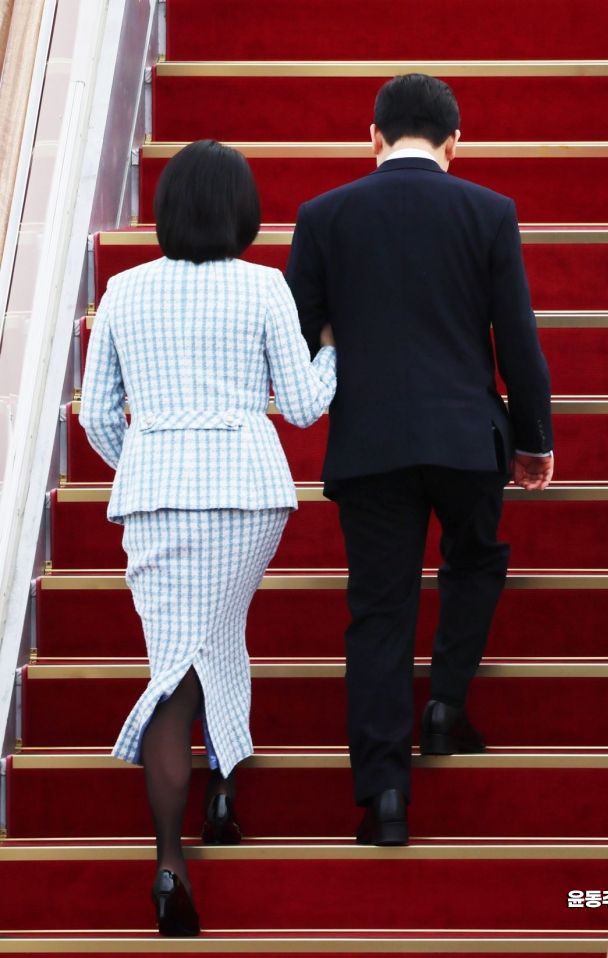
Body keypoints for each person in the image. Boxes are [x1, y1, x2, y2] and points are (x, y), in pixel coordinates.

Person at [286, 74, 553, 846]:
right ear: (453, 141)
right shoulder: (488, 212)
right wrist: (532, 436)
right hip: (466, 436)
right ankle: (445, 704)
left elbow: (295, 338)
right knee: (475, 560)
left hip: (369, 445)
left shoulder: (322, 216)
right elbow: (518, 338)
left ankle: (383, 795)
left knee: (378, 611)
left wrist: (337, 338)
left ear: (371, 136)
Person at [80, 140, 336, 935]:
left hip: (155, 498)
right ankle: (221, 790)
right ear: (241, 210)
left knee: (183, 654)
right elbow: (300, 406)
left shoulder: (122, 291)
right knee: (210, 643)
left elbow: (94, 417)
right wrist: (332, 350)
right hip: (246, 497)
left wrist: (150, 461)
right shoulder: (264, 288)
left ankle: (169, 860)